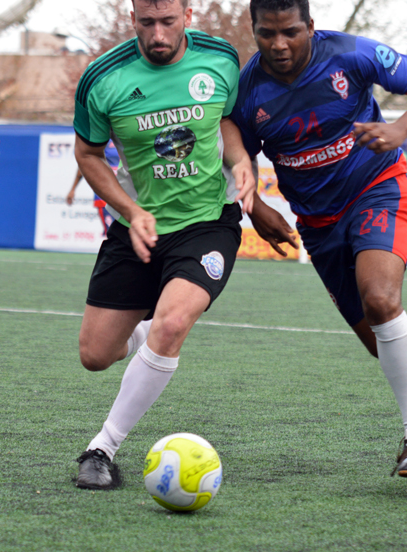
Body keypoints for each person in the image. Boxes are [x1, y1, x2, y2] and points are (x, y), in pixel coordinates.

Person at [228, 0, 407, 477]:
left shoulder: (352, 54)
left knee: (380, 299)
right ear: (253, 30)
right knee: (382, 344)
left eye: (290, 32)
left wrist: (399, 128)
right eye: (266, 34)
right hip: (318, 223)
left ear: (311, 26)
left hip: (378, 188)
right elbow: (234, 145)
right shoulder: (248, 89)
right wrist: (254, 205)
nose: (279, 44)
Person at [72, 0, 255, 489]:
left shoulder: (220, 59)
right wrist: (131, 212)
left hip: (208, 222)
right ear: (133, 17)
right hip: (138, 225)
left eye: (167, 22)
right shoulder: (102, 78)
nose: (157, 34)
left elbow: (229, 121)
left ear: (188, 14)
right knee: (95, 355)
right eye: (146, 22)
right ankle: (144, 331)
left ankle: (101, 449)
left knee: (173, 323)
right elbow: (88, 153)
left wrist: (240, 161)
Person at [66, 140, 119, 235]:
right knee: (112, 234)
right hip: (105, 192)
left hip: (126, 193)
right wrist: (73, 189)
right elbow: (85, 163)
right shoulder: (102, 139)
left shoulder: (127, 136)